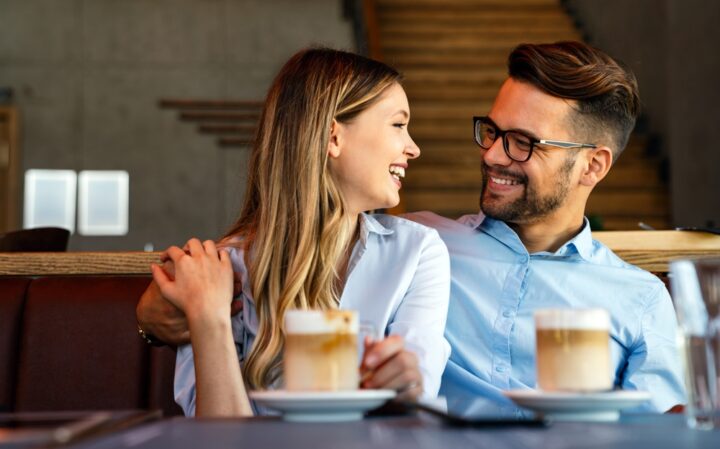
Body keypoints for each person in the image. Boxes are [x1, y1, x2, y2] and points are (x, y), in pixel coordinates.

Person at [142, 48, 451, 417]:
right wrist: (209, 320)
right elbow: (219, 441)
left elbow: (418, 402)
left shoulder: (417, 252)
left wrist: (408, 383)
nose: (413, 148)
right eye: (398, 125)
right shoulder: (226, 268)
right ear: (332, 137)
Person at [406, 41, 685, 413]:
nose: (491, 155)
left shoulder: (641, 298)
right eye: (491, 131)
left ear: (593, 166)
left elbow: (655, 435)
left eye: (523, 143)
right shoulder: (423, 246)